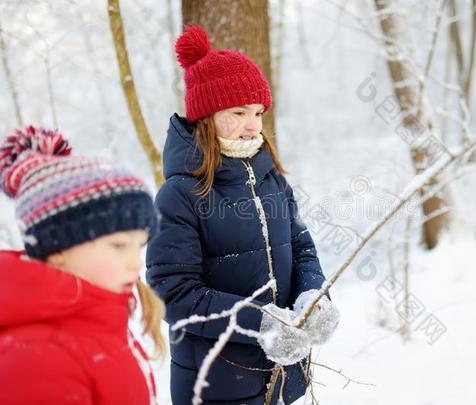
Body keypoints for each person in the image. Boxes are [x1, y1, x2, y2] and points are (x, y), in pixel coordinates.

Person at [146, 25, 340, 405]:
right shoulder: (179, 195)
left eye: (258, 112)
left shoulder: (272, 181)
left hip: (284, 378)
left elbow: (303, 251)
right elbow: (174, 294)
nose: (253, 125)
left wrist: (313, 298)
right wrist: (263, 325)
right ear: (206, 116)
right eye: (238, 112)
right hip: (217, 384)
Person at [0, 126, 164, 405]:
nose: (136, 262)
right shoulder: (38, 358)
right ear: (58, 248)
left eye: (139, 246)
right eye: (118, 245)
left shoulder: (99, 318)